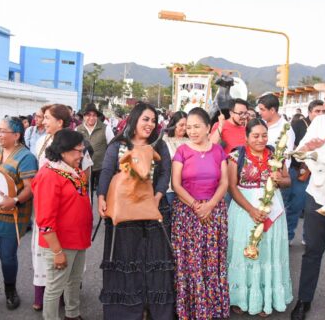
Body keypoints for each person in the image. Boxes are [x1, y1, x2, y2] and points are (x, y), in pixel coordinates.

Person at [97, 102, 174, 320]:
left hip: (154, 212)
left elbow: (165, 173)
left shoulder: (159, 146)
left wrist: (156, 198)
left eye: (153, 121)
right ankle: (126, 312)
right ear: (134, 120)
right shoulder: (118, 145)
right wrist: (101, 198)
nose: (150, 124)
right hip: (124, 214)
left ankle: (154, 310)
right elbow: (106, 172)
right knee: (126, 261)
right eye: (145, 119)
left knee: (154, 261)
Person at [227, 118, 292, 317]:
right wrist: (251, 210)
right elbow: (232, 187)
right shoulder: (236, 156)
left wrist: (281, 179)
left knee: (268, 251)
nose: (260, 139)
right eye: (255, 135)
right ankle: (240, 298)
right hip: (244, 210)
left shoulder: (276, 154)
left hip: (272, 209)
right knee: (243, 250)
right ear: (246, 137)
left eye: (264, 135)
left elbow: (288, 181)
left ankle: (267, 298)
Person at [291, 76, 325, 320]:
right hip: (317, 196)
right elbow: (299, 155)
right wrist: (308, 149)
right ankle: (304, 300)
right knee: (312, 251)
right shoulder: (320, 123)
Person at [172, 107, 230, 320]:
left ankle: (213, 310)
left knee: (212, 261)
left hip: (215, 213)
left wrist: (211, 205)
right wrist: (197, 205)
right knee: (191, 262)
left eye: (197, 126)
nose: (192, 131)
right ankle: (191, 311)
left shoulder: (218, 150)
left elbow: (224, 182)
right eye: (189, 127)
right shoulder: (182, 151)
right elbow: (176, 184)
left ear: (208, 127)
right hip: (187, 214)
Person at [32, 129, 92, 320]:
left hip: (78, 239)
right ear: (63, 151)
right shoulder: (49, 176)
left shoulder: (72, 171)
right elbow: (45, 220)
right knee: (54, 287)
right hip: (61, 244)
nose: (81, 155)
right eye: (78, 151)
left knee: (74, 281)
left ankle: (72, 315)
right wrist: (57, 252)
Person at [0, 117, 38, 316]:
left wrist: (14, 200)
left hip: (11, 215)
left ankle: (10, 289)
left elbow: (30, 189)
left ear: (16, 135)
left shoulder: (26, 157)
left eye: (2, 131)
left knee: (7, 257)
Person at [32, 103, 72, 311]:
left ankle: (62, 296)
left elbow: (83, 178)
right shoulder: (41, 141)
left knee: (64, 249)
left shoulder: (74, 143)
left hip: (65, 206)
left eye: (47, 117)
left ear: (60, 122)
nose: (42, 121)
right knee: (42, 250)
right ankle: (43, 294)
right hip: (44, 204)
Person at [284, 100, 325, 243]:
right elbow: (290, 147)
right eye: (317, 111)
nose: (320, 114)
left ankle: (308, 238)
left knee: (314, 209)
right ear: (309, 112)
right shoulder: (298, 125)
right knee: (296, 206)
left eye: (323, 111)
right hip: (299, 172)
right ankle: (288, 237)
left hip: (319, 174)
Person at [76, 103, 113, 198]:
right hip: (84, 168)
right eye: (88, 115)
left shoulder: (105, 128)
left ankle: (103, 213)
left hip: (102, 168)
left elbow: (112, 146)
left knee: (103, 195)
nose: (91, 118)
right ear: (84, 116)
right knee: (85, 196)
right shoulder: (78, 129)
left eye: (94, 115)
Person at [257, 93, 295, 167]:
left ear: (272, 110)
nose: (259, 112)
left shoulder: (286, 129)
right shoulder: (260, 123)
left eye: (262, 109)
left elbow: (286, 156)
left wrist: (281, 175)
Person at [162, 110, 188, 206]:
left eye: (186, 125)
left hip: (187, 188)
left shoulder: (190, 141)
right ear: (174, 124)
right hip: (170, 187)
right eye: (181, 125)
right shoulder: (165, 140)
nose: (184, 128)